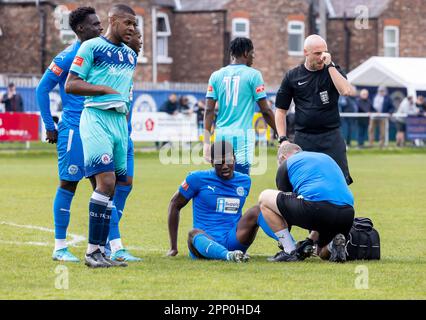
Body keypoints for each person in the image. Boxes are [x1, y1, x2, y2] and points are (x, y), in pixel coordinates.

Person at [65, 4, 138, 268]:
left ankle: (102, 251)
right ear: (113, 20)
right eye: (128, 23)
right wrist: (101, 89)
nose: (132, 28)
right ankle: (91, 252)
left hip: (119, 122)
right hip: (96, 117)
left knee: (114, 187)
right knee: (105, 183)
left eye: (135, 24)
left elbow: (125, 91)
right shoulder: (91, 47)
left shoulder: (130, 55)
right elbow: (71, 84)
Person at [36, 7, 103, 262]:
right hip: (74, 129)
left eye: (100, 23)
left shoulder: (100, 53)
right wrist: (50, 125)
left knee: (104, 186)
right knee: (69, 184)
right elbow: (42, 90)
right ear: (81, 29)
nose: (100, 28)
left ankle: (108, 246)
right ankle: (60, 247)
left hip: (98, 128)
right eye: (95, 24)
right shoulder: (68, 55)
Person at [167, 141, 267, 262]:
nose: (225, 166)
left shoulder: (245, 181)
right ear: (212, 162)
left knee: (258, 210)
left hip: (233, 240)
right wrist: (173, 247)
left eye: (229, 160)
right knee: (192, 234)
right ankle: (229, 256)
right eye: (220, 162)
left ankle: (288, 247)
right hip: (205, 244)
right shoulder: (196, 178)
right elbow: (174, 204)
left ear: (234, 159)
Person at [275, 34, 354, 185]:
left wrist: (330, 66)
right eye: (317, 53)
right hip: (304, 138)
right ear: (306, 52)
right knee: (303, 182)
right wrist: (283, 139)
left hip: (331, 136)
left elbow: (346, 90)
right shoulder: (292, 76)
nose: (322, 57)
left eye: (325, 52)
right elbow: (280, 111)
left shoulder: (333, 70)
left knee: (338, 182)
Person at [258, 143, 355, 263]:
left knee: (264, 197)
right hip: (347, 214)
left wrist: (284, 242)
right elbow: (325, 199)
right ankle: (332, 246)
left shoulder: (287, 163)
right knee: (320, 251)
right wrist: (310, 240)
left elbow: (283, 211)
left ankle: (289, 251)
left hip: (318, 209)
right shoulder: (325, 157)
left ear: (282, 158)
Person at [204, 37, 276, 175]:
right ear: (245, 53)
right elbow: (265, 110)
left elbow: (209, 110)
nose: (253, 57)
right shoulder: (254, 75)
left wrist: (207, 142)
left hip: (221, 136)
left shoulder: (216, 75)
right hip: (242, 137)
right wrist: (280, 133)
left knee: (221, 180)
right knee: (240, 181)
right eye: (252, 53)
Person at [106, 27, 143, 262]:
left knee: (126, 184)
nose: (141, 42)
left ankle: (105, 235)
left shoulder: (130, 67)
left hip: (125, 136)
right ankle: (114, 245)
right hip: (108, 135)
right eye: (138, 38)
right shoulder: (110, 65)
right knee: (107, 189)